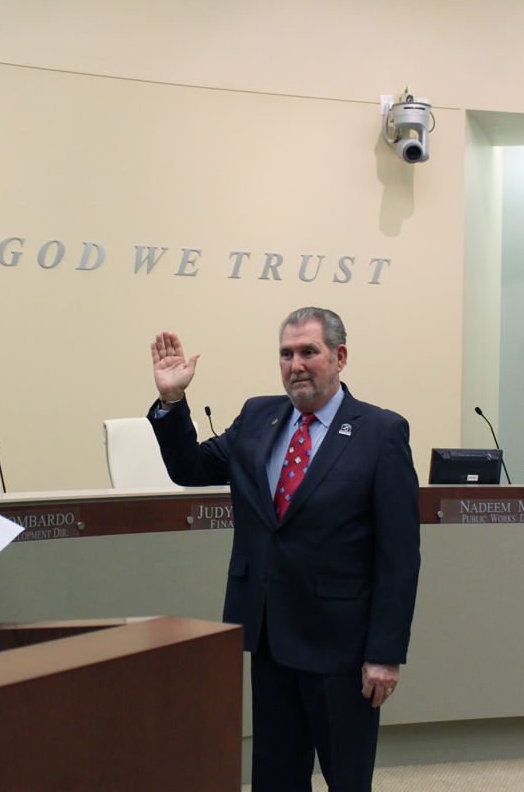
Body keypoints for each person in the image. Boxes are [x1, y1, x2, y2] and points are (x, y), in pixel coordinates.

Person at [148, 307, 420, 792]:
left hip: (342, 646)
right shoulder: (259, 415)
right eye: (286, 354)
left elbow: (399, 555)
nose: (296, 364)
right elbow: (189, 467)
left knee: (347, 780)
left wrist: (385, 653)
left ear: (339, 357)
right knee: (275, 778)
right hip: (271, 634)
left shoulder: (381, 432)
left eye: (308, 352)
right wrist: (172, 401)